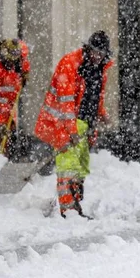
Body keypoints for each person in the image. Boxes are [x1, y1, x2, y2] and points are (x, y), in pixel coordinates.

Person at [34, 31, 112, 217]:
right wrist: (71, 129)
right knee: (68, 166)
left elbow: (95, 95)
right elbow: (65, 101)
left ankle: (75, 205)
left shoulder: (100, 69)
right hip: (62, 123)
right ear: (87, 48)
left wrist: (101, 114)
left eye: (101, 54)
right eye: (94, 51)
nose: (97, 56)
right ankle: (68, 212)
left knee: (81, 166)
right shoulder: (70, 64)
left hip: (85, 124)